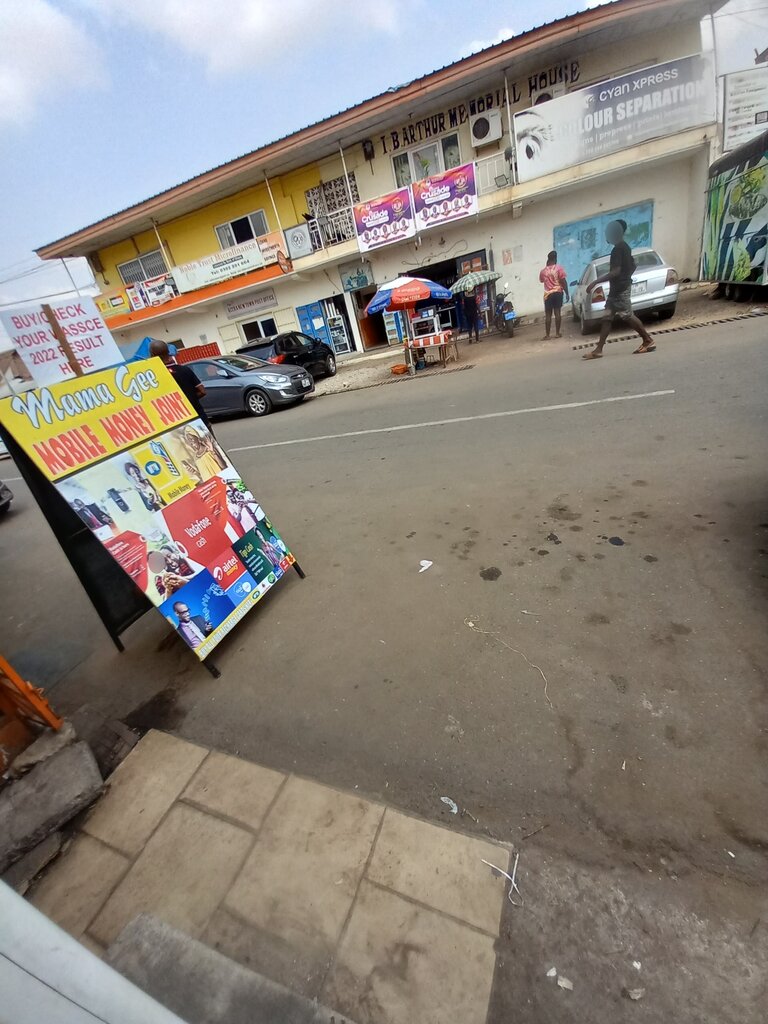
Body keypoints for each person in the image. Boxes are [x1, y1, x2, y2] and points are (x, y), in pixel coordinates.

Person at [583, 220, 656, 360]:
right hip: (617, 289)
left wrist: (595, 282)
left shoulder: (618, 249)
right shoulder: (625, 247)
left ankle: (648, 340)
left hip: (619, 289)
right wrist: (626, 277)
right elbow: (633, 265)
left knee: (627, 315)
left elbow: (616, 271)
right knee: (607, 318)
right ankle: (598, 349)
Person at [149, 339, 210, 427]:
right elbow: (202, 391)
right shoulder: (185, 370)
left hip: (178, 424)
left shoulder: (155, 378)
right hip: (199, 417)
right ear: (168, 351)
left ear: (152, 355)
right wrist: (189, 400)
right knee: (209, 440)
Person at [539, 250, 569, 339]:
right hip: (558, 292)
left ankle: (547, 335)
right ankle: (557, 333)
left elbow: (541, 280)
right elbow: (563, 281)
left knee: (548, 315)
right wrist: (567, 293)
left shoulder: (543, 271)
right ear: (555, 258)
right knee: (557, 313)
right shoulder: (559, 268)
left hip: (548, 294)